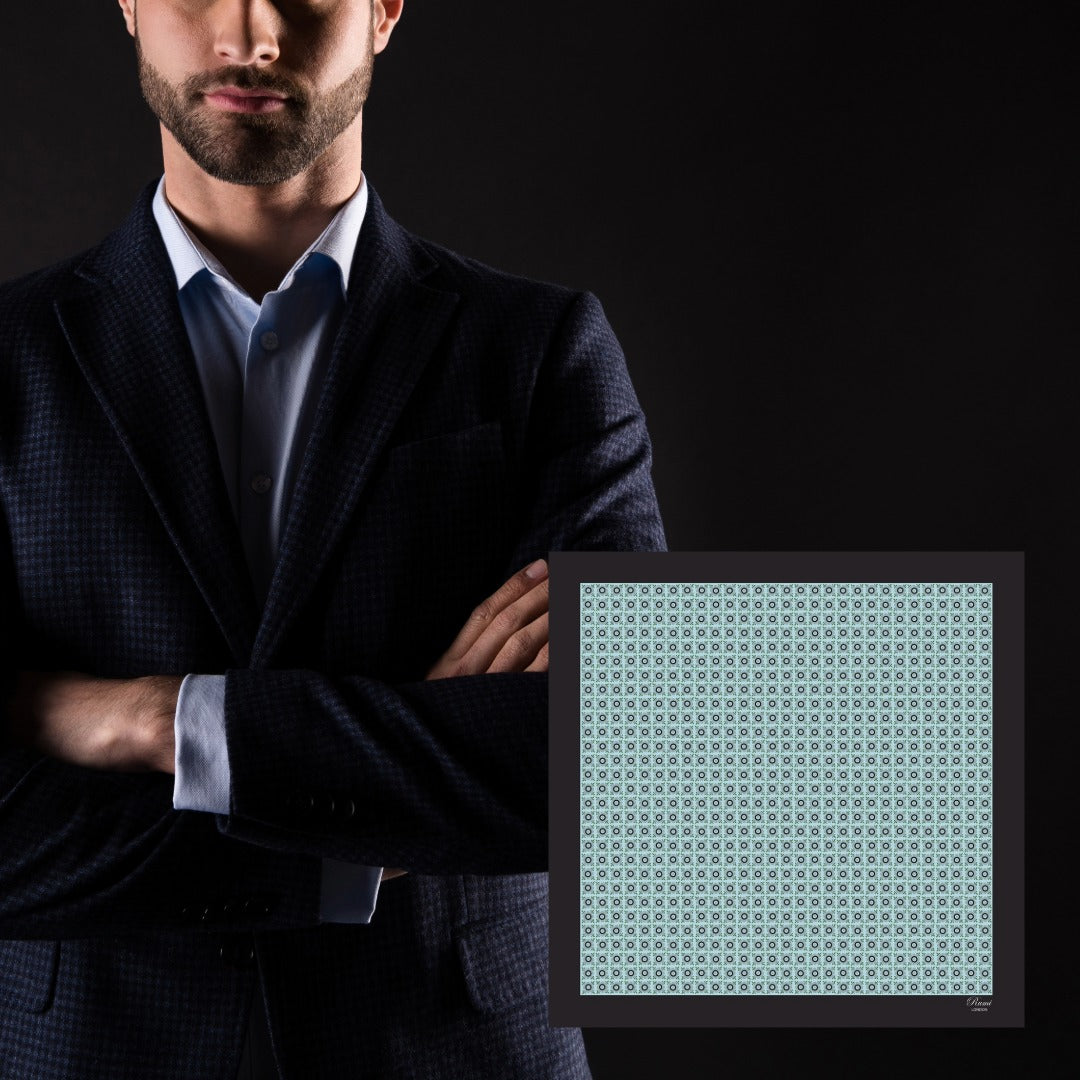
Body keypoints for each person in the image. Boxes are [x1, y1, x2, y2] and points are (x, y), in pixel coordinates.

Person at [0, 1, 665, 1077]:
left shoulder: (540, 354)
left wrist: (162, 721)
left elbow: (620, 764)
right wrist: (377, 819)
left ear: (385, 9)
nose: (253, 31)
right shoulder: (10, 363)